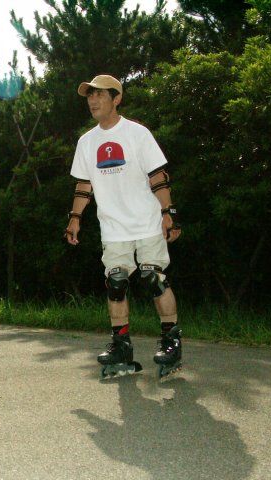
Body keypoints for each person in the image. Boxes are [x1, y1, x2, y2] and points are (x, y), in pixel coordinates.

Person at [64, 74, 182, 380]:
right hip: (113, 227)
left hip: (146, 223)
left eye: (99, 95)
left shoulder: (137, 134)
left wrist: (168, 212)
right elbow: (84, 185)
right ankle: (121, 347)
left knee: (155, 279)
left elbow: (158, 177)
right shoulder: (87, 142)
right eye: (90, 96)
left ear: (116, 99)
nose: (92, 100)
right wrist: (75, 218)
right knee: (115, 284)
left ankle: (171, 342)